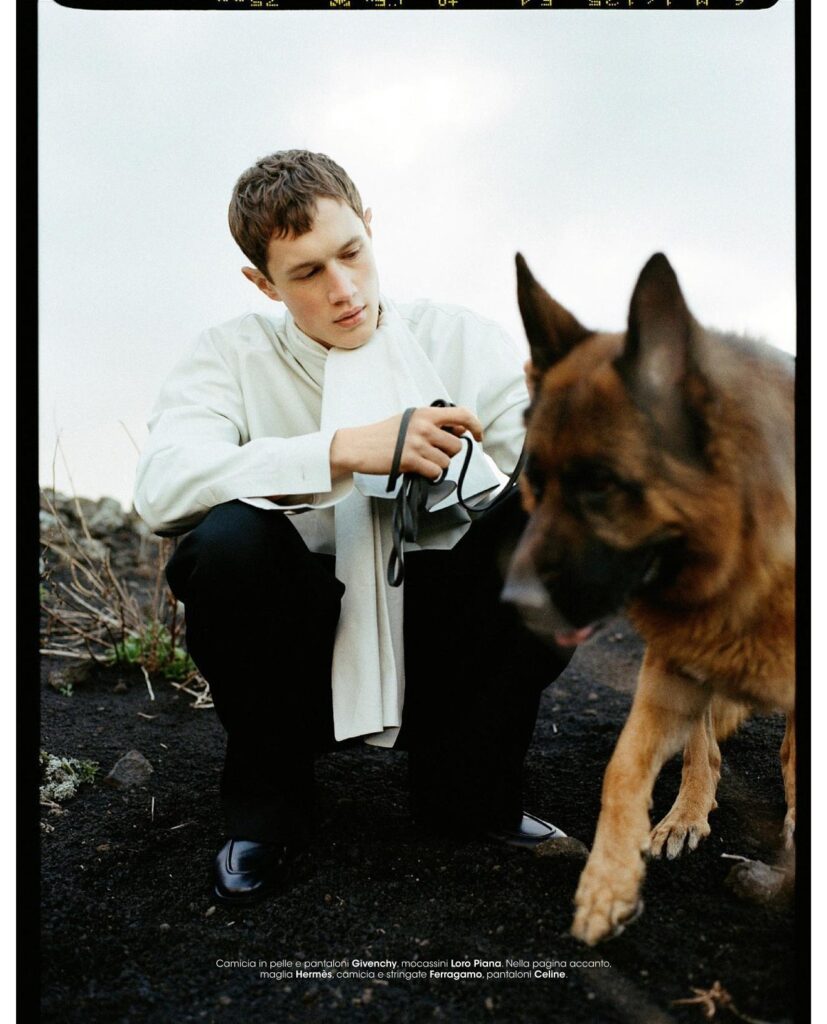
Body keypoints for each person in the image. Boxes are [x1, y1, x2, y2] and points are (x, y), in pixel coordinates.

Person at [133, 149, 571, 907]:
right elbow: (162, 485)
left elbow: (540, 474)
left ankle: (470, 790)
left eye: (351, 254)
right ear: (262, 283)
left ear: (370, 229)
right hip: (301, 641)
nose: (342, 291)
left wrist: (476, 475)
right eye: (305, 274)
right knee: (228, 543)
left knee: (549, 522)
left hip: (448, 631)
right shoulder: (229, 356)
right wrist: (341, 451)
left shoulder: (463, 339)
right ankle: (269, 807)